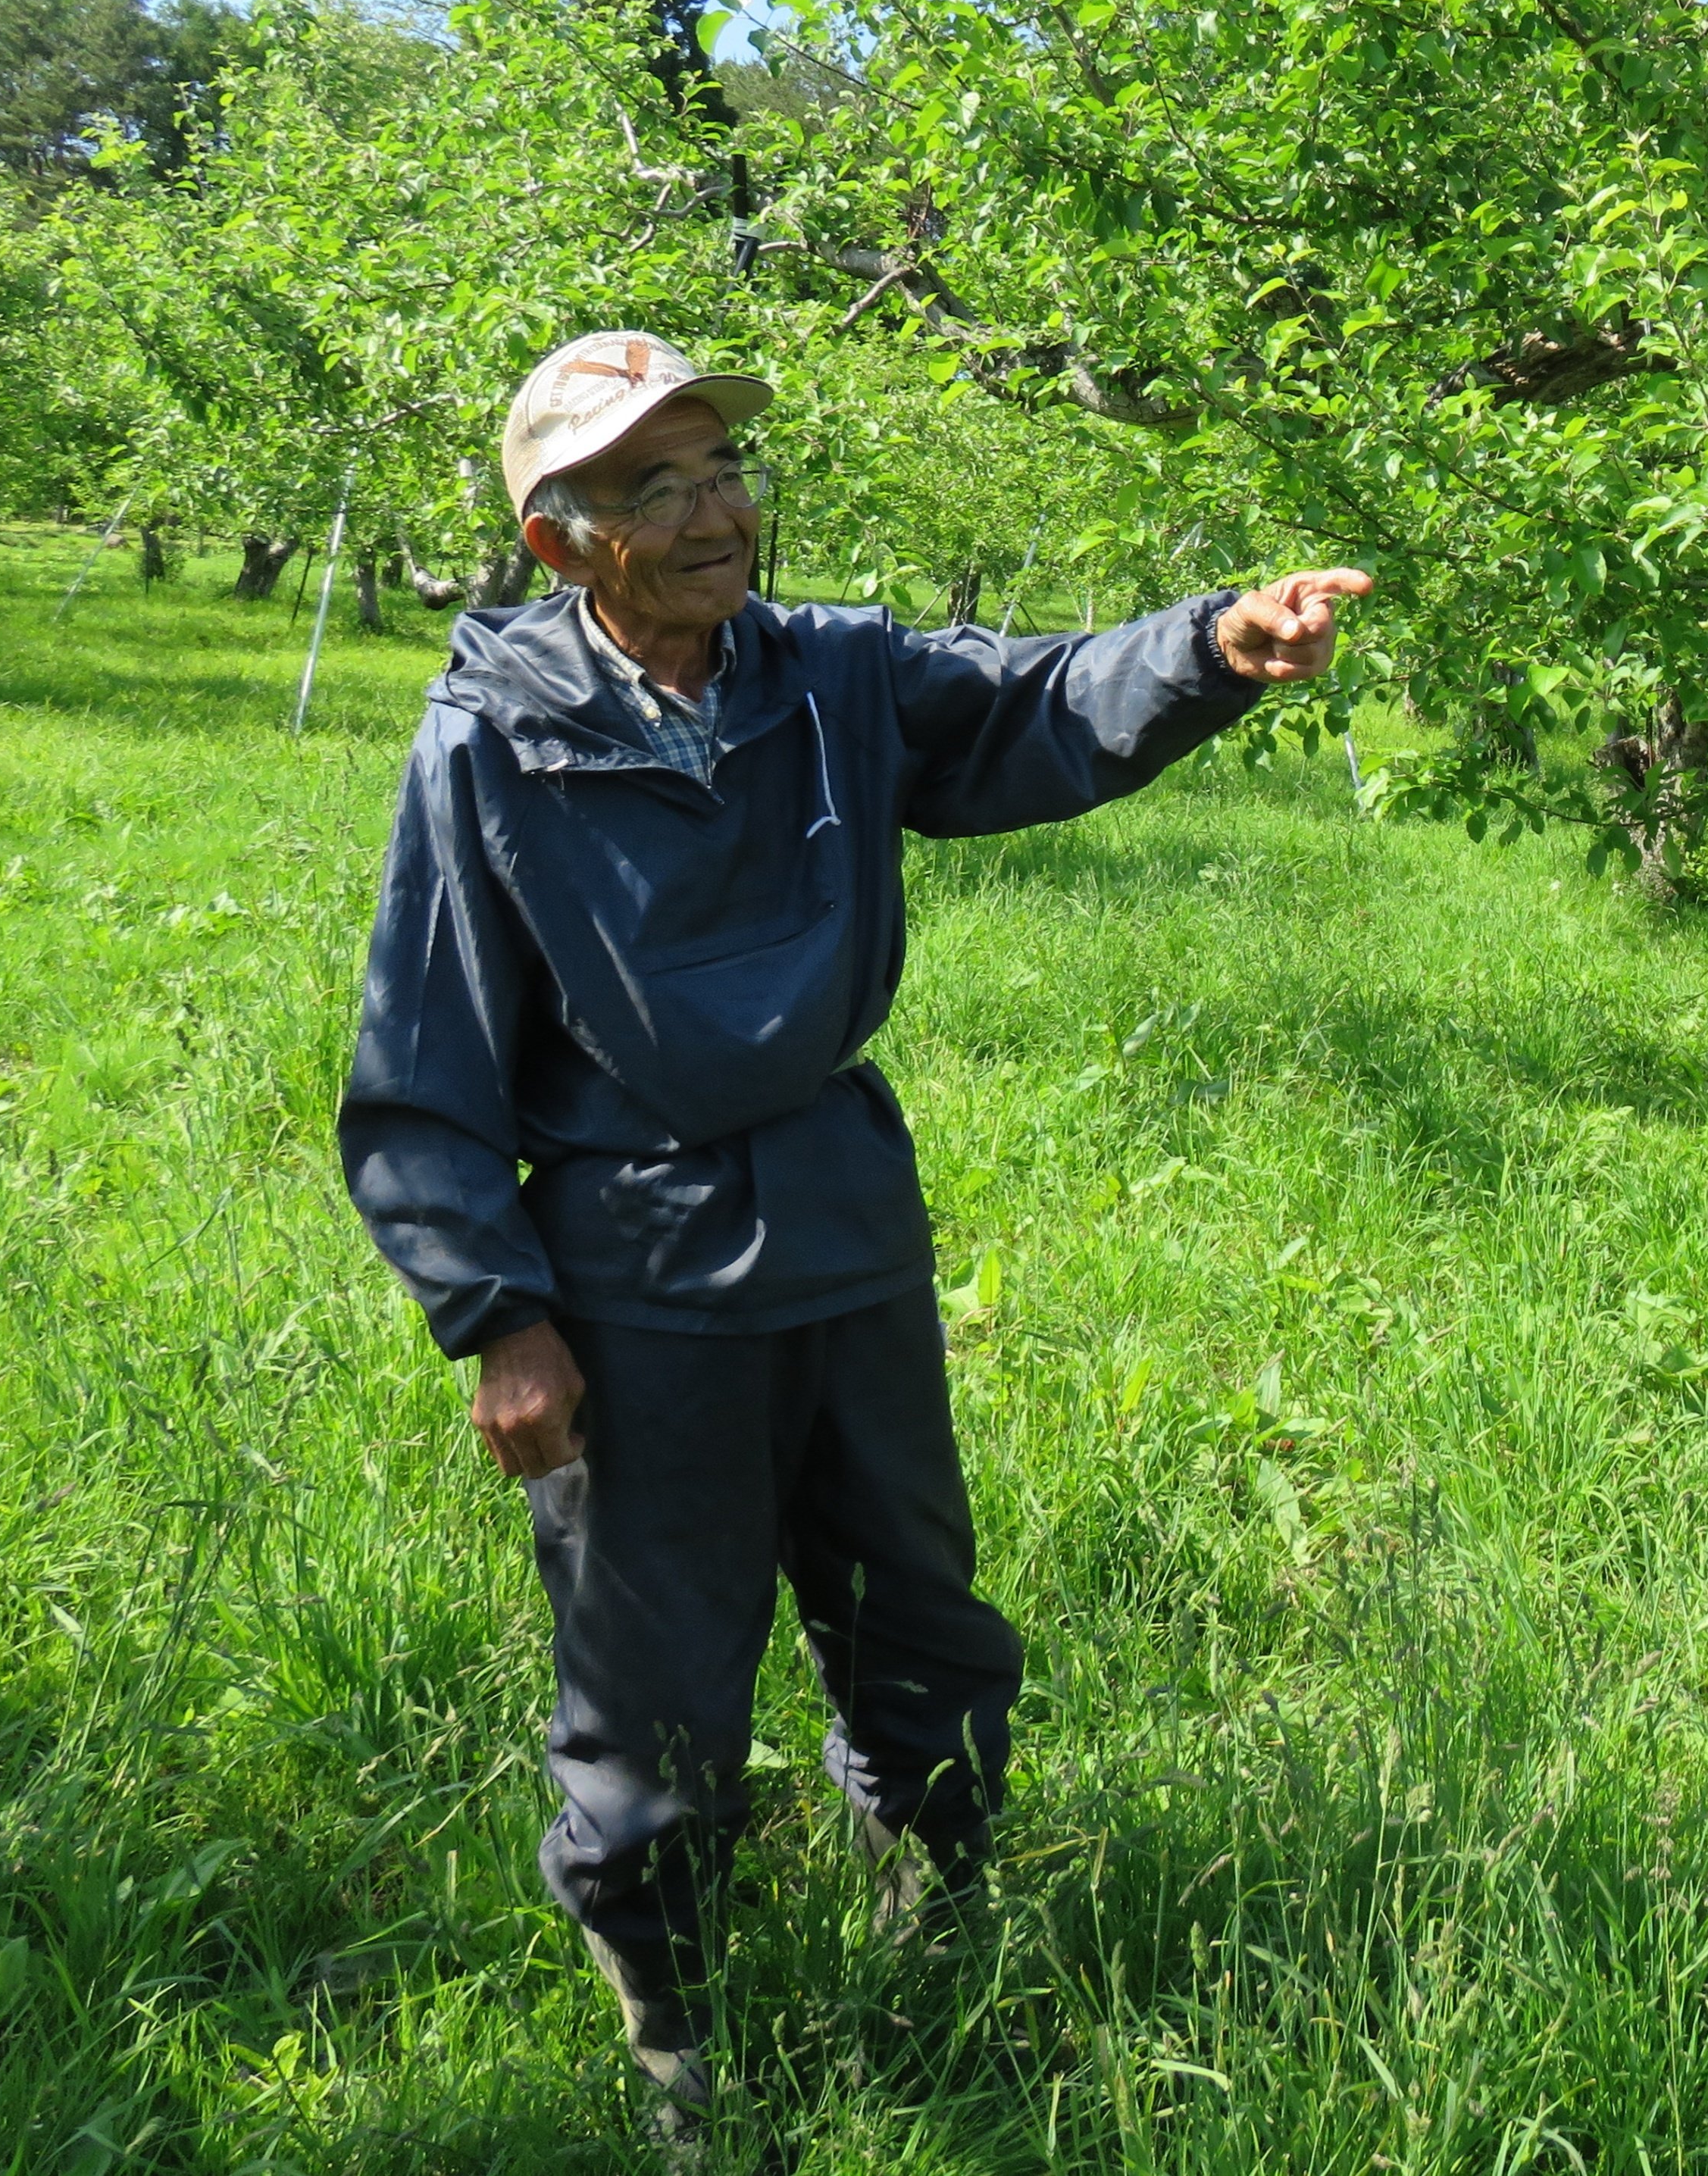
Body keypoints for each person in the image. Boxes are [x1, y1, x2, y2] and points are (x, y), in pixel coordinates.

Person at [336, 330, 1366, 2140]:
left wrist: (1212, 645)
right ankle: (678, 2034)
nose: (717, 509)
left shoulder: (827, 675)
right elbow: (425, 1042)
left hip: (841, 1221)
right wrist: (493, 1308)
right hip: (637, 1263)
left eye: (722, 463)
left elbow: (1034, 701)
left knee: (923, 1617)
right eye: (654, 485)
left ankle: (933, 1922)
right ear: (561, 537)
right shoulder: (495, 733)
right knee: (654, 1693)